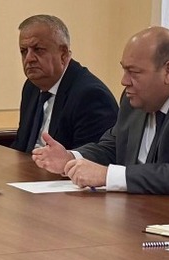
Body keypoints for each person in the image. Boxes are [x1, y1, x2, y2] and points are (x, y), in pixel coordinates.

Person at [33, 26, 169, 208]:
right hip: (149, 212)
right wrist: (71, 158)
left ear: (168, 71)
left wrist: (107, 175)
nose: (124, 81)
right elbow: (113, 146)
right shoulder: (137, 98)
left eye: (134, 72)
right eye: (124, 70)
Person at [11, 14, 117, 155]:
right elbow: (21, 145)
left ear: (64, 54)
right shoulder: (32, 87)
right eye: (24, 51)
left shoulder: (90, 95)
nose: (29, 58)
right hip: (29, 166)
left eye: (38, 49)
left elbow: (87, 159)